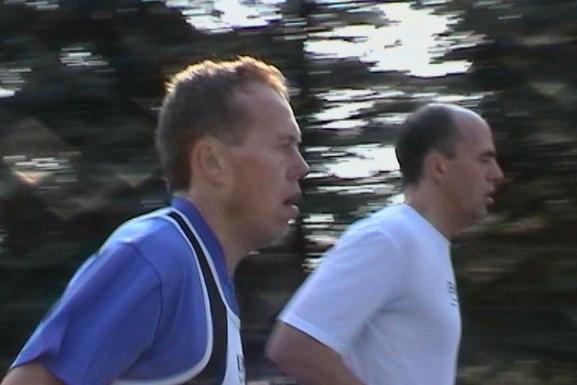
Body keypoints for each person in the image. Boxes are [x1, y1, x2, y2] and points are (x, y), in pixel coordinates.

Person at [1, 56, 309, 385]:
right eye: (283, 146)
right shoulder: (157, 257)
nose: (301, 167)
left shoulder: (199, 271)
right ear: (212, 162)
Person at [266, 103, 504, 385]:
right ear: (439, 167)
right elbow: (294, 345)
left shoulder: (423, 243)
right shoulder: (390, 237)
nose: (497, 174)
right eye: (484, 159)